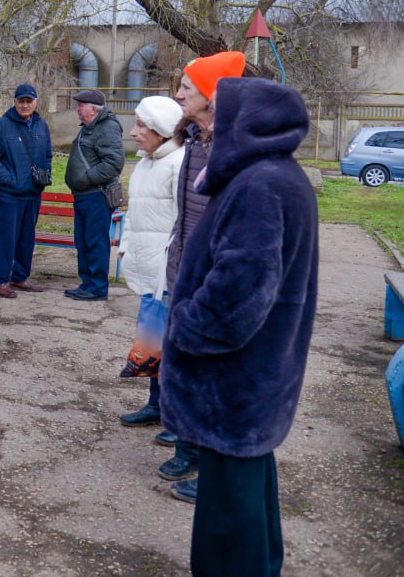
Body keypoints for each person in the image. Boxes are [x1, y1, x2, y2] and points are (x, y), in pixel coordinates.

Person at [160, 77, 318, 576]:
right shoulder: (275, 176)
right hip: (255, 377)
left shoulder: (260, 184)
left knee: (229, 520)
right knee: (246, 500)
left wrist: (186, 326)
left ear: (245, 123)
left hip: (235, 380)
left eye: (220, 116)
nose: (209, 124)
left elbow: (240, 290)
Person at [156, 50, 247, 502]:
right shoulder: (193, 138)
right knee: (184, 365)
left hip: (211, 276)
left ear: (212, 96)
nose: (178, 95)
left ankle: (213, 471)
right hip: (186, 268)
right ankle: (188, 447)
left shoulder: (233, 147)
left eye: (186, 89)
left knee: (211, 375)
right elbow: (184, 212)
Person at [116, 96, 185, 428]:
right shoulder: (144, 164)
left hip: (169, 275)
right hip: (148, 273)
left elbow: (185, 223)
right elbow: (134, 213)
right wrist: (126, 247)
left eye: (141, 125)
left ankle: (176, 419)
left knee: (171, 347)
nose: (133, 132)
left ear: (161, 130)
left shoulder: (180, 163)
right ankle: (155, 405)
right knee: (152, 341)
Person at [0, 83, 53, 299]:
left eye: (28, 101)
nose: (24, 105)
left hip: (33, 192)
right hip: (11, 194)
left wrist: (45, 173)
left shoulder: (42, 126)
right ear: (15, 102)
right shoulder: (2, 125)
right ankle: (1, 280)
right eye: (21, 101)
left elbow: (48, 154)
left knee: (26, 237)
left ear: (35, 102)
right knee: (7, 238)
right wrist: (9, 180)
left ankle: (20, 277)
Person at [62, 89, 125, 302]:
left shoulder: (107, 127)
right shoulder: (89, 128)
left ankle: (97, 287)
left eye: (81, 105)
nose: (78, 109)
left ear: (93, 108)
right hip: (84, 196)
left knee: (95, 241)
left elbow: (114, 163)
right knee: (83, 241)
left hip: (96, 195)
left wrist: (87, 178)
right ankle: (87, 283)